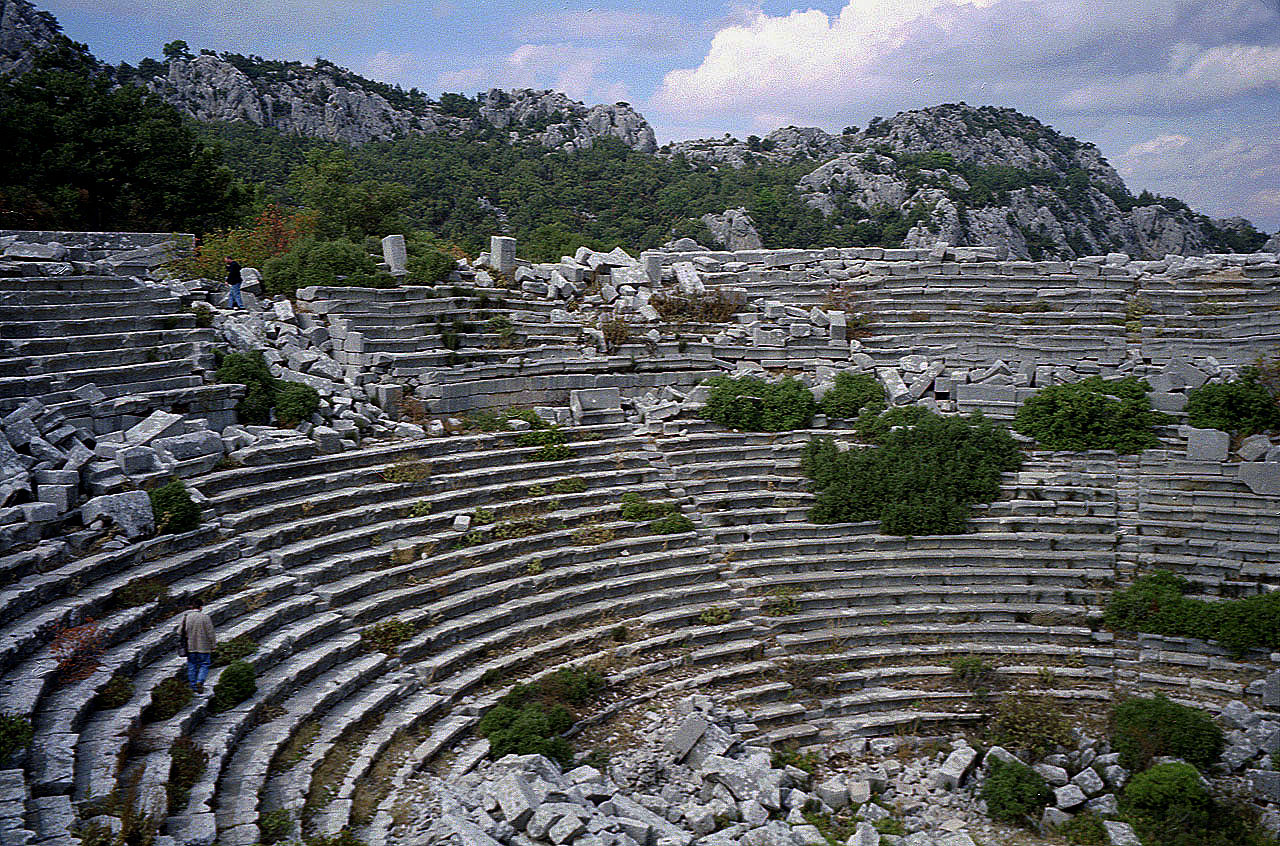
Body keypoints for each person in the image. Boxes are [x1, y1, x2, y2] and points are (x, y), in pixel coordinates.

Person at [177, 599, 216, 692]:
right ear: (201, 607)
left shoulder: (186, 617)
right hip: (204, 647)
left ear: (192, 607)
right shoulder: (205, 617)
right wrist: (213, 645)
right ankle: (200, 681)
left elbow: (179, 631)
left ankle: (193, 686)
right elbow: (211, 633)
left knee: (192, 665)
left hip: (190, 647)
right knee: (204, 664)